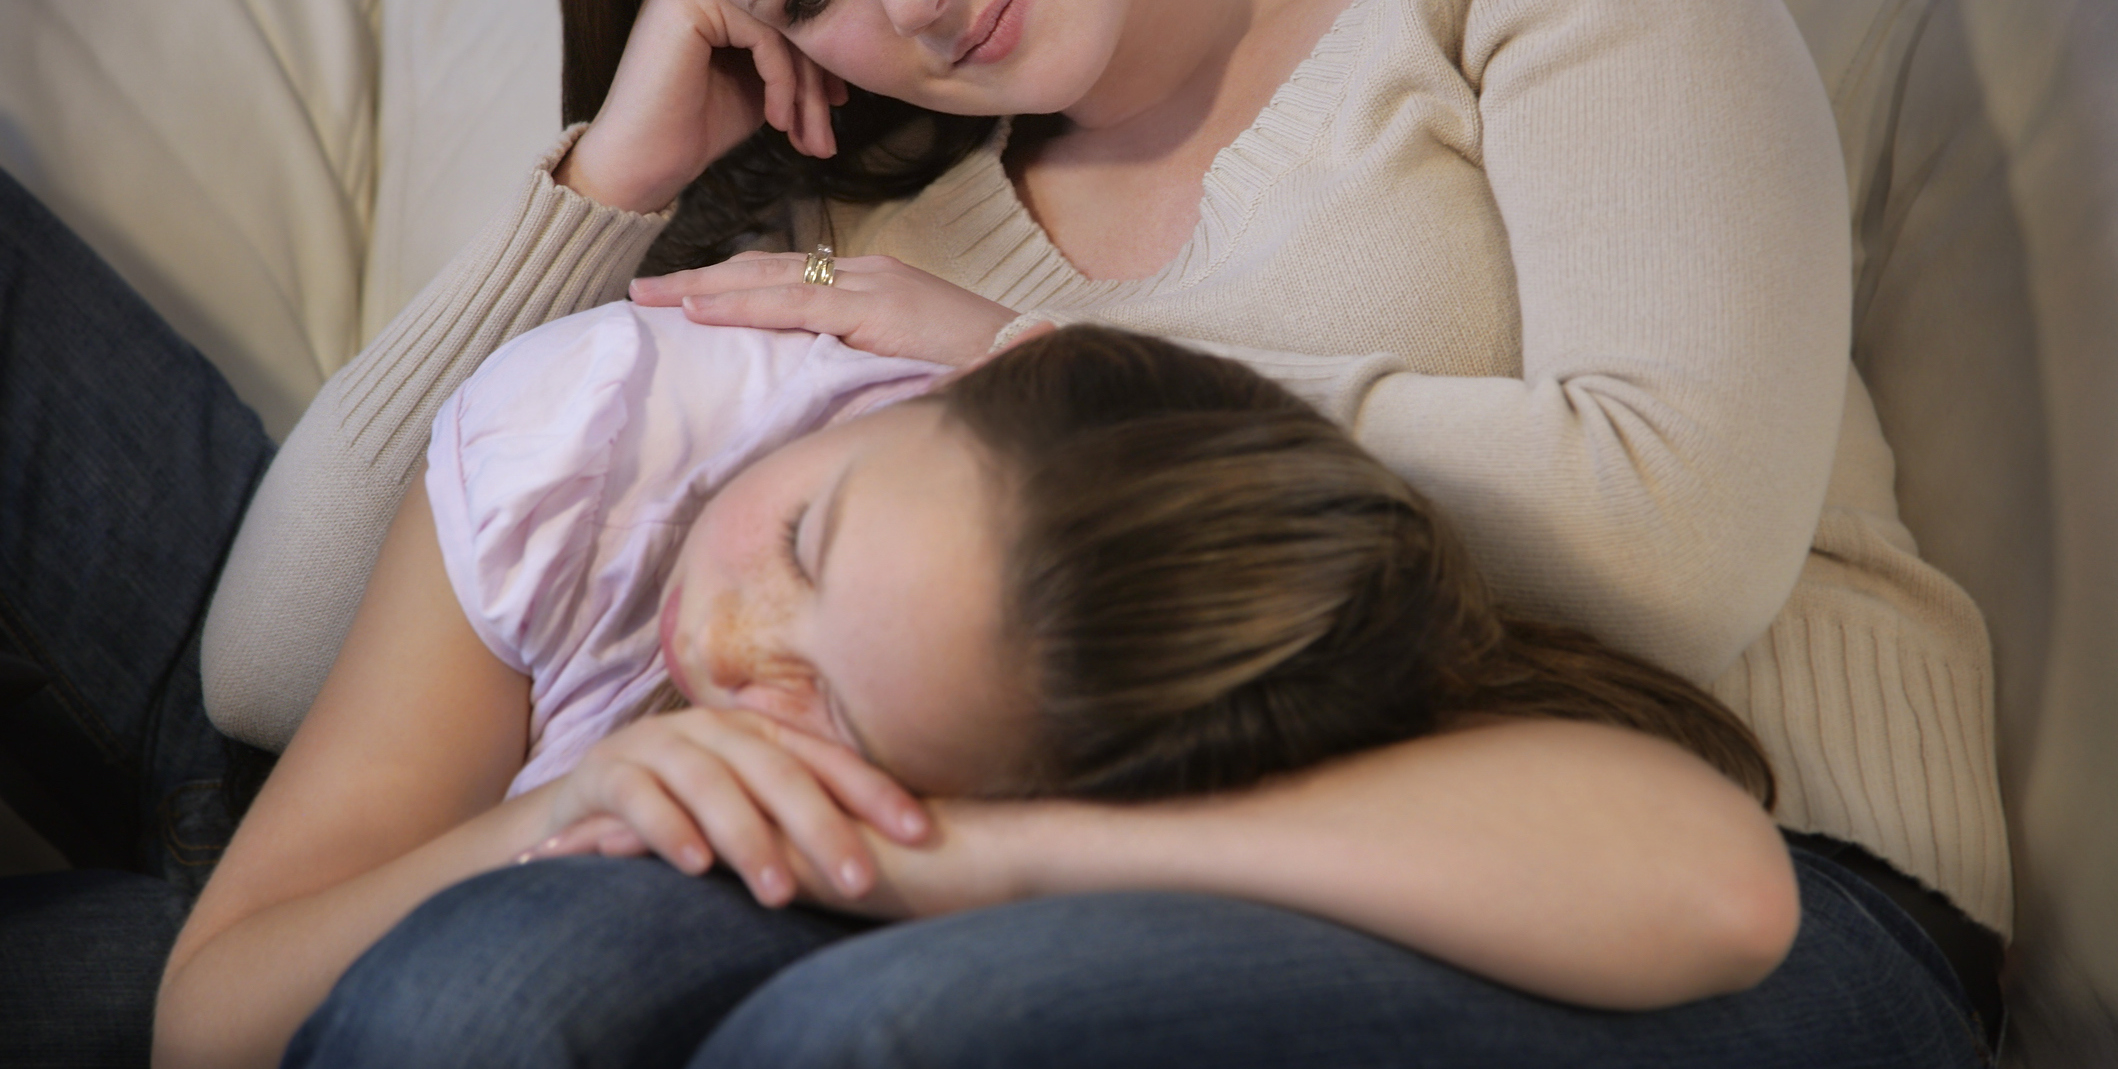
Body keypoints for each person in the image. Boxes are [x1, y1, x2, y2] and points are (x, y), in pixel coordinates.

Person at [0, 0, 2001, 1064]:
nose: (909, 4)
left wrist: (1023, 347)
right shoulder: (857, 214)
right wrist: (617, 179)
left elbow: (1669, 549)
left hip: (1715, 851)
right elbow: (265, 667)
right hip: (952, 809)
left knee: (868, 1029)